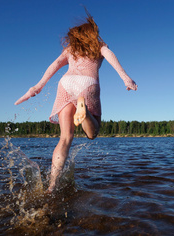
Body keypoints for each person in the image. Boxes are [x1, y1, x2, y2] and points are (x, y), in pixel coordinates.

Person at [14, 10, 137, 192]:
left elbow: (54, 65)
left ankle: (52, 185)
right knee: (92, 134)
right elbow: (111, 56)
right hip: (87, 84)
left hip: (65, 83)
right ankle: (85, 111)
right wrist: (126, 78)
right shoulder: (99, 45)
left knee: (65, 139)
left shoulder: (71, 49)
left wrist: (36, 87)